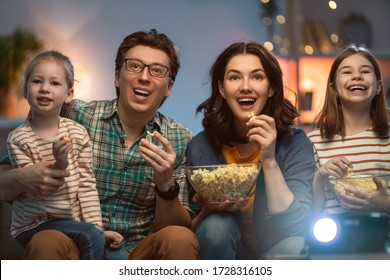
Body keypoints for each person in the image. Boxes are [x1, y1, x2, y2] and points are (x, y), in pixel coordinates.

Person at [0, 29, 198, 260]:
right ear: (117, 76)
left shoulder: (179, 138)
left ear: (169, 87)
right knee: (47, 240)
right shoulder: (73, 115)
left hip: (140, 252)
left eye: (157, 71)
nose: (144, 77)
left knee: (180, 238)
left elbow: (177, 226)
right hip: (74, 244)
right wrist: (21, 177)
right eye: (134, 66)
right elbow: (5, 176)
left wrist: (165, 184)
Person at [186, 41, 315, 259]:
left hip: (276, 252)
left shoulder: (295, 142)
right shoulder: (202, 146)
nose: (245, 86)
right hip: (225, 250)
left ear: (271, 88)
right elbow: (194, 227)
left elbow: (296, 227)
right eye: (234, 77)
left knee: (295, 245)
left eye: (257, 77)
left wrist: (269, 160)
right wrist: (210, 208)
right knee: (216, 227)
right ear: (221, 88)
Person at [6, 50, 123, 260]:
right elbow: (40, 189)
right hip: (33, 224)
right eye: (37, 81)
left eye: (54, 83)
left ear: (69, 94)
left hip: (72, 223)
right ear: (25, 90)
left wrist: (96, 228)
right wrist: (60, 163)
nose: (44, 88)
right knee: (88, 236)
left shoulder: (78, 133)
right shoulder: (18, 139)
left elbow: (87, 185)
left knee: (92, 236)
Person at [307, 44, 390, 215]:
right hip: (336, 238)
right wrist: (320, 176)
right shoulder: (314, 141)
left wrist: (385, 204)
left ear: (379, 87)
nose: (357, 76)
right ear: (334, 89)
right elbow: (311, 212)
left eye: (365, 71)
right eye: (347, 72)